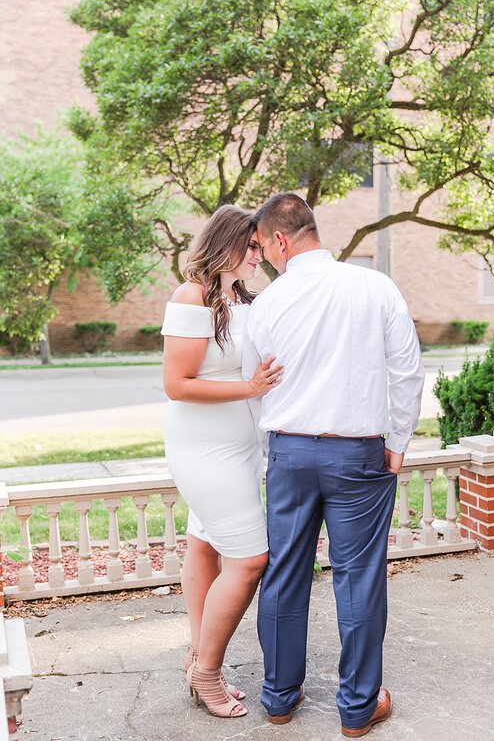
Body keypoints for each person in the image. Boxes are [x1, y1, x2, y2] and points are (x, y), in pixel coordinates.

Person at [243, 192, 424, 736]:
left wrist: (274, 443)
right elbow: (407, 372)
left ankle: (278, 697)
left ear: (279, 239)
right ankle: (356, 708)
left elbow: (256, 388)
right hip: (360, 454)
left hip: (291, 452)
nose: (264, 256)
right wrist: (398, 441)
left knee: (284, 573)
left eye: (262, 246)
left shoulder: (268, 304)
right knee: (360, 577)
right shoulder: (374, 286)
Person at [161, 205, 284, 718]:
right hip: (203, 449)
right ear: (226, 244)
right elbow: (177, 383)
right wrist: (249, 388)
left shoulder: (241, 298)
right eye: (251, 247)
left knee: (205, 548)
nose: (259, 256)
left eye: (261, 247)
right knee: (250, 559)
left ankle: (197, 654)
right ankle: (208, 674)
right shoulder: (191, 296)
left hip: (240, 450)